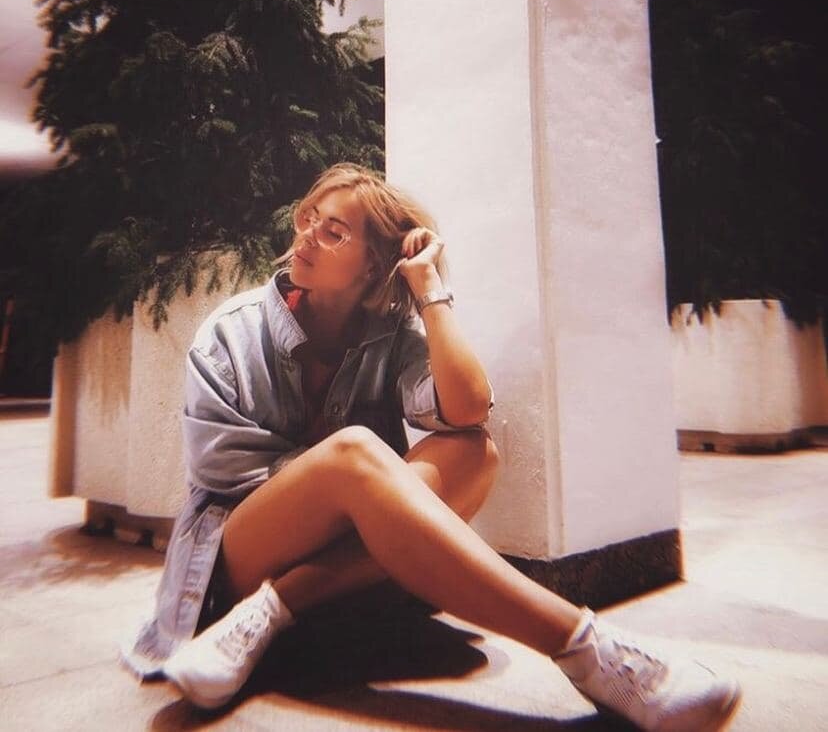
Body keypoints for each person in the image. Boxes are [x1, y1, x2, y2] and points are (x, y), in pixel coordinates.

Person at [122, 163, 741, 731]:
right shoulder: (230, 334)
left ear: (374, 266)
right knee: (356, 455)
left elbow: (467, 410)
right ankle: (587, 650)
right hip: (234, 556)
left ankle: (279, 604)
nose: (306, 236)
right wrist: (352, 486)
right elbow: (220, 469)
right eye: (308, 218)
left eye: (334, 232)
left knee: (474, 453)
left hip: (317, 565)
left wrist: (429, 291)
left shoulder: (391, 336)